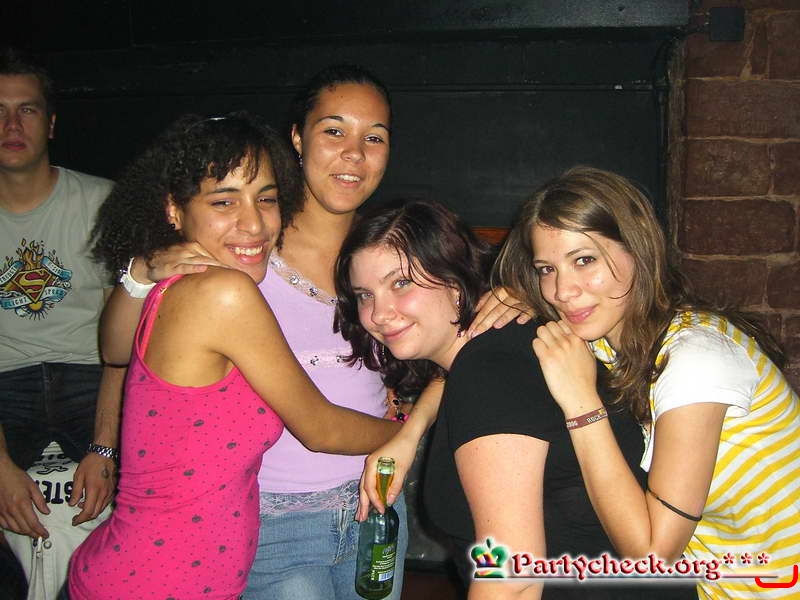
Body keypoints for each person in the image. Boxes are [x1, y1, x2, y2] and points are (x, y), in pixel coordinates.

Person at [65, 112, 418, 600]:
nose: (253, 223)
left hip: (181, 574)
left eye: (266, 199)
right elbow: (321, 429)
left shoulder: (187, 284)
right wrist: (410, 430)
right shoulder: (223, 293)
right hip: (156, 579)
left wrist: (143, 269)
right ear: (174, 210)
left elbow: (114, 349)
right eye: (224, 201)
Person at [335, 200, 691, 600]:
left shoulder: (488, 371)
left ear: (454, 282)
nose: (379, 314)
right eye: (364, 295)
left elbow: (513, 581)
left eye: (401, 283)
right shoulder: (508, 345)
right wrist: (409, 432)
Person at [495, 166, 800, 599]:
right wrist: (411, 431)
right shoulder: (609, 338)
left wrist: (581, 403)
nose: (562, 290)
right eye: (546, 269)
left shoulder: (696, 357)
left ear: (638, 249)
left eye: (585, 260)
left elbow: (653, 556)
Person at [0, 47, 121, 591]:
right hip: (5, 381)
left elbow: (125, 344)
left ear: (50, 123)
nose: (11, 125)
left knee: (143, 495)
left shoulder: (102, 203)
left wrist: (105, 447)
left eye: (26, 109)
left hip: (88, 374)